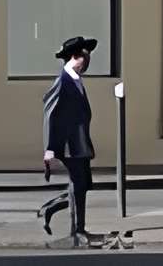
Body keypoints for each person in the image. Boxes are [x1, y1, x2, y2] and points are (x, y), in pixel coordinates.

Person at [37, 36, 94, 246]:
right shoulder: (63, 82)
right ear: (74, 57)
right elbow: (50, 114)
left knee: (83, 184)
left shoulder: (76, 80)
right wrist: (50, 149)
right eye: (85, 59)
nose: (87, 64)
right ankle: (78, 230)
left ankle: (52, 210)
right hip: (70, 146)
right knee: (79, 185)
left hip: (80, 143)